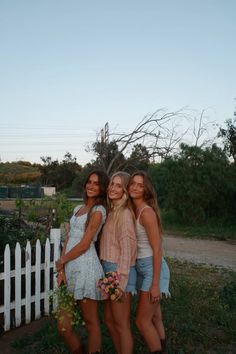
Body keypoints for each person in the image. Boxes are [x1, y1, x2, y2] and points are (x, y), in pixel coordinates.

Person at [56, 170, 109, 354]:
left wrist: (62, 259)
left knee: (91, 322)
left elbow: (85, 243)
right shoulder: (77, 208)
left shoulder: (99, 211)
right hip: (69, 267)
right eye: (89, 182)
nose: (91, 186)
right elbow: (69, 238)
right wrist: (61, 267)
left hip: (86, 269)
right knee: (63, 325)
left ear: (102, 188)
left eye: (96, 183)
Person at [128, 171, 170, 354]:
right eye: (133, 184)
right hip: (142, 267)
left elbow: (158, 249)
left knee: (142, 321)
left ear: (146, 190)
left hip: (153, 268)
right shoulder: (134, 210)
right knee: (154, 317)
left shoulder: (146, 213)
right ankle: (163, 345)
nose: (135, 187)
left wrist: (155, 284)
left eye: (140, 185)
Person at [99, 171, 137, 354]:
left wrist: (121, 282)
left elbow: (127, 252)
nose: (112, 188)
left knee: (121, 324)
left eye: (118, 185)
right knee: (108, 320)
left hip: (119, 272)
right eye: (112, 184)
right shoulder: (113, 211)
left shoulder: (125, 214)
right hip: (108, 270)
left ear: (125, 191)